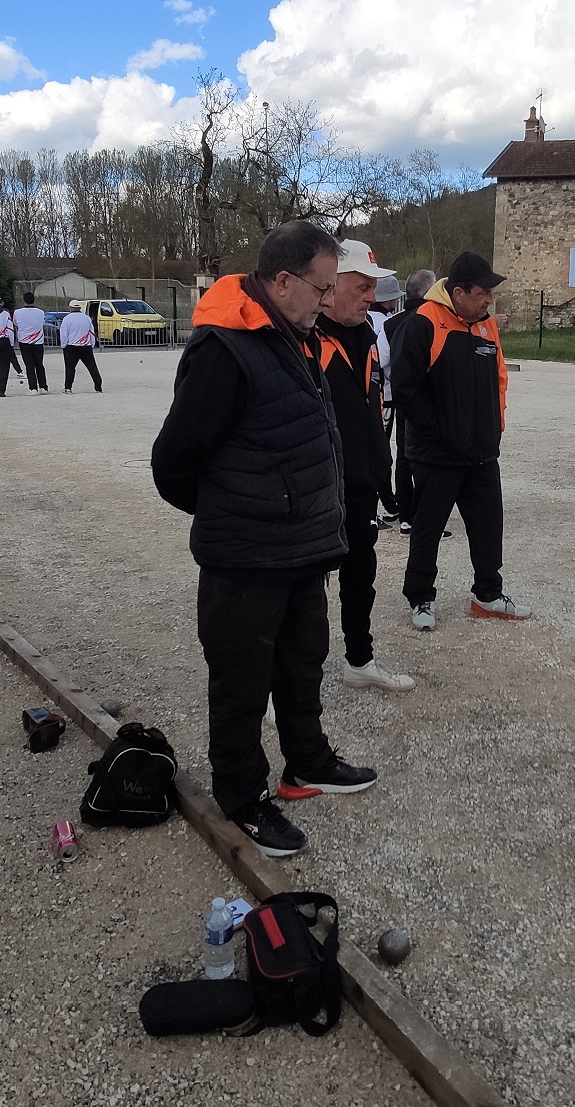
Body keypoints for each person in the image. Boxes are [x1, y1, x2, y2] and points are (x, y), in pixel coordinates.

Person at [151, 220, 377, 859]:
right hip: (245, 557)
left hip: (301, 550)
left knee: (303, 661)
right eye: (321, 287)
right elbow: (173, 461)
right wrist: (237, 512)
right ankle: (242, 799)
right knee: (241, 682)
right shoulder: (226, 349)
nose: (329, 300)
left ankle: (306, 760)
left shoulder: (291, 335)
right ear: (283, 281)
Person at [391, 251, 531, 631]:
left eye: (490, 292)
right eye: (483, 292)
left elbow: (499, 379)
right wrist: (438, 434)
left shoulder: (487, 327)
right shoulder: (424, 322)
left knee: (488, 525)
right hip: (437, 455)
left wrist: (493, 428)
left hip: (481, 453)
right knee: (428, 527)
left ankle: (488, 594)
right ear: (458, 291)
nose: (489, 299)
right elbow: (405, 388)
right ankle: (420, 597)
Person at [317, 241, 415, 693]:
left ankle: (360, 659)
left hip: (359, 486)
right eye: (361, 287)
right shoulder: (304, 339)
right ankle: (293, 681)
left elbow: (376, 411)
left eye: (373, 288)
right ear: (329, 285)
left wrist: (383, 473)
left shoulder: (369, 338)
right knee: (306, 590)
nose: (371, 298)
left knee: (361, 576)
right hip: (317, 487)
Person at [383, 269, 436, 534]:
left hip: (400, 395)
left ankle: (406, 513)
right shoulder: (431, 321)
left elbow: (383, 360)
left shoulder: (392, 323)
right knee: (427, 456)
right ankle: (425, 515)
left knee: (404, 454)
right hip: (426, 397)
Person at [369, 272, 405, 521]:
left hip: (369, 392)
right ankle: (386, 502)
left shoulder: (363, 318)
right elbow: (381, 359)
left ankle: (386, 501)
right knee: (381, 449)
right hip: (385, 394)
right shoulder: (385, 323)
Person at [59, 300, 103, 393]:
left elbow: (64, 334)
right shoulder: (86, 318)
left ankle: (68, 388)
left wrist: (64, 345)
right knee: (92, 367)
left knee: (70, 368)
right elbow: (91, 333)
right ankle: (98, 386)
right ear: (80, 308)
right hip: (86, 347)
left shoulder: (67, 319)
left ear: (70, 307)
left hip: (71, 347)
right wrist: (92, 344)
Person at [13, 292, 49, 393]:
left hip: (24, 341)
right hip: (38, 341)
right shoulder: (40, 312)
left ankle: (33, 388)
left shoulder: (17, 312)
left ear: (24, 300)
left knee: (29, 365)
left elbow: (16, 323)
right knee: (39, 364)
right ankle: (43, 387)